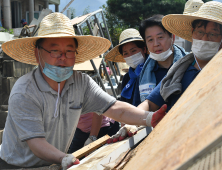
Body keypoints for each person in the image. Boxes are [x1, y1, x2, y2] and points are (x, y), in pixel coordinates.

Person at [0, 13, 166, 169]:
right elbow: (36, 142)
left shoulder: (81, 82)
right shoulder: (25, 91)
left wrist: (150, 118)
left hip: (54, 162)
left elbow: (115, 108)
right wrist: (64, 158)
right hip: (17, 166)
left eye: (69, 51)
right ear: (38, 54)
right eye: (54, 50)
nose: (62, 57)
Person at [109, 0, 222, 142]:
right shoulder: (179, 70)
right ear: (192, 34)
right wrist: (135, 121)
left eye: (212, 34)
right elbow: (150, 103)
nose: (204, 38)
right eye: (200, 32)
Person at [138, 14, 188, 102]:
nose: (156, 44)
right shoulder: (144, 73)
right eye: (150, 40)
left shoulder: (190, 65)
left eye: (160, 37)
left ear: (172, 38)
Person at [105, 28, 147, 107]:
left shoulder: (153, 70)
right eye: (126, 53)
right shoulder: (127, 78)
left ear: (144, 49)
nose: (130, 55)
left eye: (133, 51)